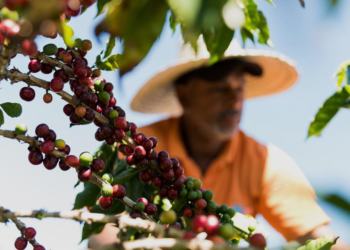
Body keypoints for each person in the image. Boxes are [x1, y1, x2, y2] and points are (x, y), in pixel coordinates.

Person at [88, 39, 348, 248]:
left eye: (239, 88)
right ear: (184, 94)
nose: (234, 101)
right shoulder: (140, 150)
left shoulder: (264, 163)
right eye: (219, 89)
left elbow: (315, 235)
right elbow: (103, 233)